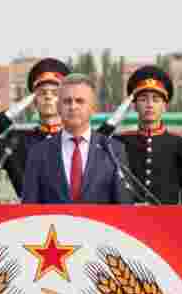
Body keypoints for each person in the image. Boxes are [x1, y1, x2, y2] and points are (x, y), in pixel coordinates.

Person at [0, 58, 69, 199]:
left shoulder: (80, 141)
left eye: (55, 93)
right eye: (42, 93)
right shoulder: (16, 142)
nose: (48, 97)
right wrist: (8, 116)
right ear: (33, 101)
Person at [22, 73, 133, 204]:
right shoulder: (39, 153)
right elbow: (29, 209)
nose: (73, 106)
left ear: (93, 108)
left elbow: (124, 208)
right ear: (58, 107)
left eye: (80, 101)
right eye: (67, 101)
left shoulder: (113, 150)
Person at [113, 66, 182, 204]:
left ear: (165, 106)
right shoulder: (119, 143)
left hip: (166, 222)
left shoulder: (180, 145)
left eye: (156, 99)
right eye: (143, 99)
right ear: (134, 105)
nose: (149, 105)